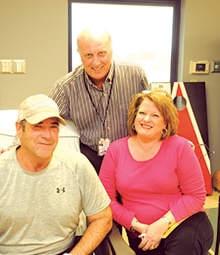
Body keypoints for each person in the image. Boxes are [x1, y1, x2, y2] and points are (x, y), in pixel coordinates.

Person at [99, 89, 213, 255]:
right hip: (141, 233)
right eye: (142, 113)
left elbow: (196, 197)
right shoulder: (116, 150)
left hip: (182, 224)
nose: (146, 119)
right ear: (134, 117)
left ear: (165, 122)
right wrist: (135, 224)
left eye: (155, 115)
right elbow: (106, 200)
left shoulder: (180, 147)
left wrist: (162, 223)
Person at [0, 94, 112, 255]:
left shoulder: (77, 165)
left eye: (53, 127)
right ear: (19, 129)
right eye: (38, 126)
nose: (47, 135)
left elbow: (103, 218)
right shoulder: (3, 170)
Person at [49, 28, 150, 173]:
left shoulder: (135, 74)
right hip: (91, 156)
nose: (96, 63)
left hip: (131, 153)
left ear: (111, 51)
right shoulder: (65, 87)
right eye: (88, 55)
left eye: (101, 53)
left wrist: (175, 141)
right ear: (80, 55)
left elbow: (155, 113)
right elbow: (42, 119)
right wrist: (14, 149)